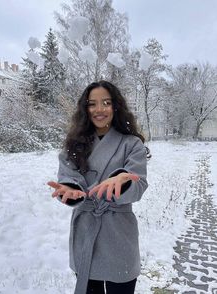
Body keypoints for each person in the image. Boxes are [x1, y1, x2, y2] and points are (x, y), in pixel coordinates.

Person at [48, 80, 148, 294]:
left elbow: (139, 186)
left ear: (116, 107)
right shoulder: (73, 145)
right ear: (85, 109)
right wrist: (71, 191)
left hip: (118, 235)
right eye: (92, 104)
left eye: (106, 102)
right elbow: (66, 179)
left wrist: (122, 181)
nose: (99, 109)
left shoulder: (131, 144)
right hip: (86, 234)